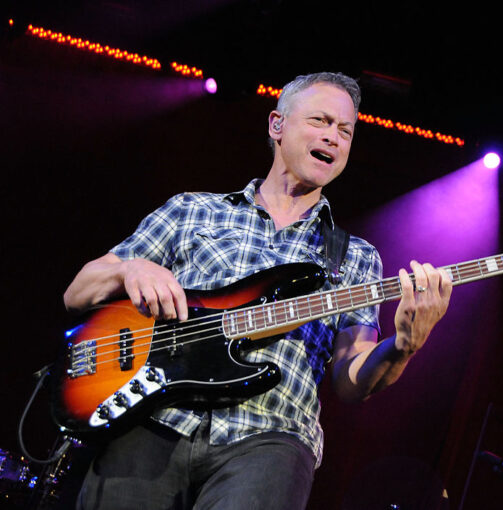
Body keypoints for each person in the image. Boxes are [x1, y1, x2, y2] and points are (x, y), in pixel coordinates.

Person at [63, 71, 453, 510]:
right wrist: (130, 269)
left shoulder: (356, 257)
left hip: (271, 438)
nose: (334, 137)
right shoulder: (193, 210)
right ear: (277, 125)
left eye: (345, 130)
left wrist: (403, 346)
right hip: (151, 417)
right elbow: (78, 292)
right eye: (321, 121)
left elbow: (350, 380)